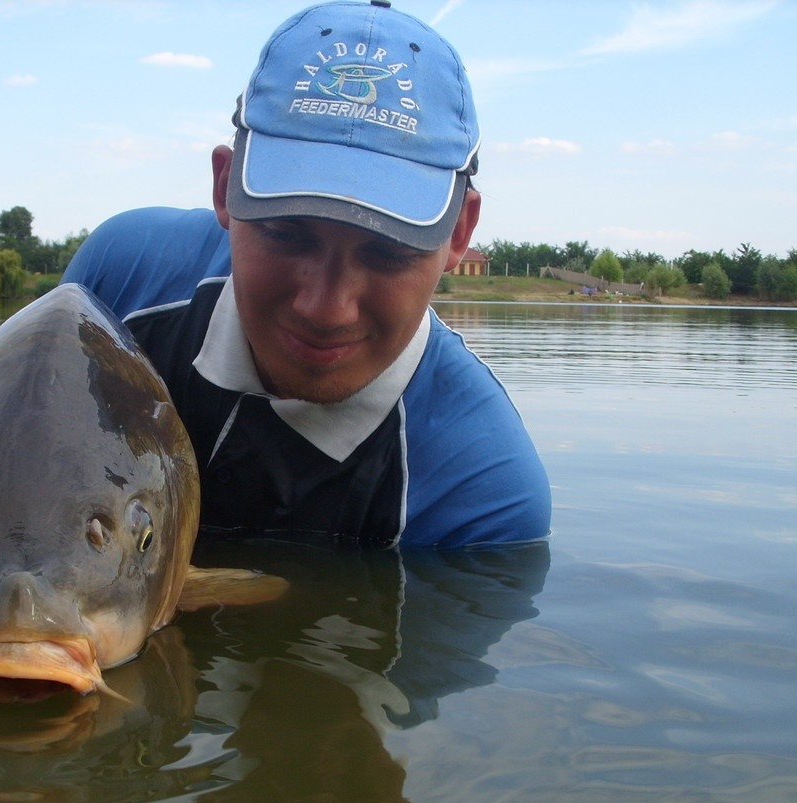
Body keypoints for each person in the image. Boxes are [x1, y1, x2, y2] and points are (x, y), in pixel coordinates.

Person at [63, 0, 550, 549]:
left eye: (389, 253)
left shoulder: (481, 497)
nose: (326, 309)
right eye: (287, 234)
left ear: (459, 233)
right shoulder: (115, 286)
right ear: (225, 186)